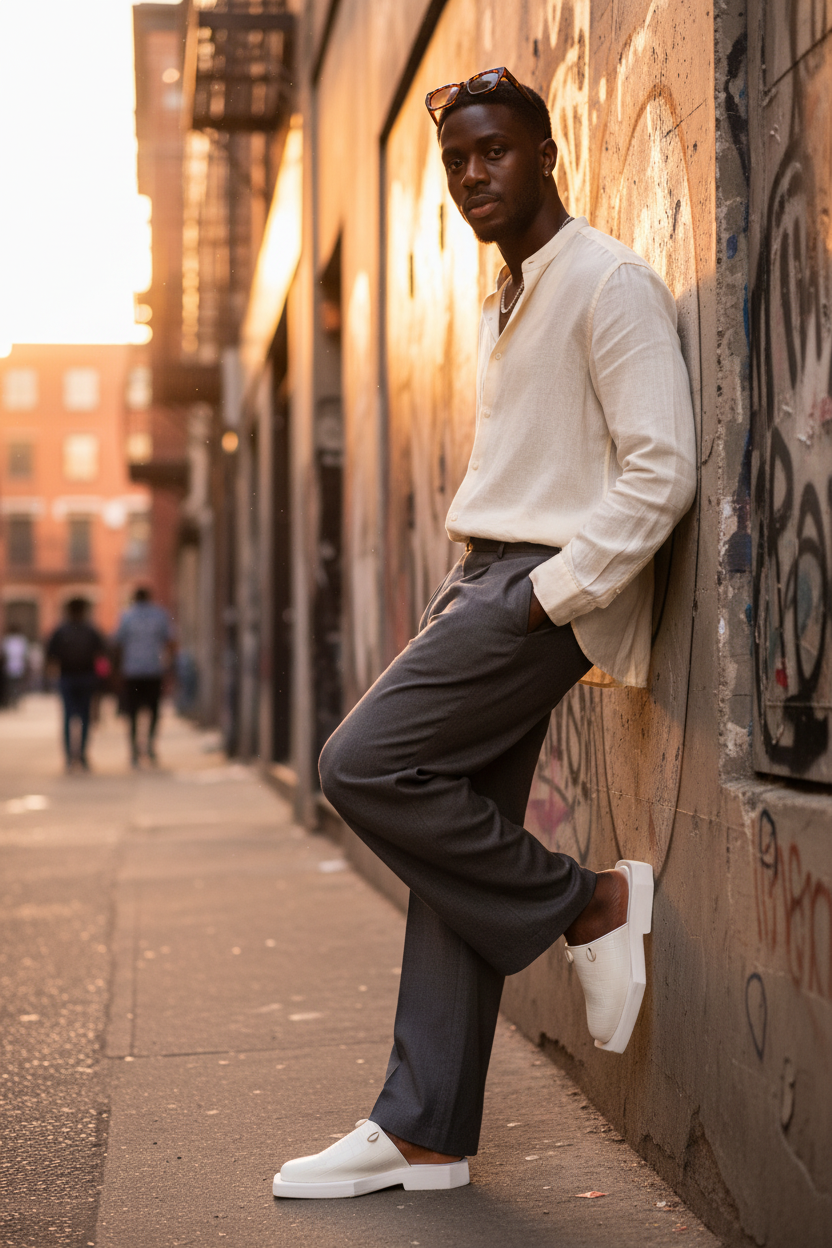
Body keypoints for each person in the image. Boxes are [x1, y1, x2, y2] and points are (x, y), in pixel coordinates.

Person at [273, 69, 697, 1199]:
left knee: (360, 764)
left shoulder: (607, 281)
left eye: (494, 151)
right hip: (485, 587)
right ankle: (425, 1132)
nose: (472, 175)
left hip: (532, 597)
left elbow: (662, 468)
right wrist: (479, 590)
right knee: (455, 844)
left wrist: (547, 598)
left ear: (546, 156)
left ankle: (591, 903)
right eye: (456, 160)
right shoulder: (503, 302)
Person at [114, 587, 174, 767]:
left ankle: (134, 750)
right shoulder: (159, 615)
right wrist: (170, 667)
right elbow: (170, 641)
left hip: (132, 672)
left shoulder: (126, 616)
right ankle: (150, 746)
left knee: (132, 713)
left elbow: (117, 643)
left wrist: (117, 670)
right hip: (154, 670)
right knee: (154, 711)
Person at [46, 598, 106, 771]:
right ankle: (81, 755)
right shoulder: (91, 631)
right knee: (84, 718)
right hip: (85, 678)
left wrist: (50, 677)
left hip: (68, 678)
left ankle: (70, 757)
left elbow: (50, 656)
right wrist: (102, 680)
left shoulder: (60, 631)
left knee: (68, 718)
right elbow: (101, 656)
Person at [2, 624, 30, 707]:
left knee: (11, 685)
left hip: (9, 666)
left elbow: (3, 654)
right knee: (17, 685)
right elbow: (25, 655)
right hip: (19, 666)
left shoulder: (7, 640)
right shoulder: (21, 640)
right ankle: (16, 699)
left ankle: (12, 699)